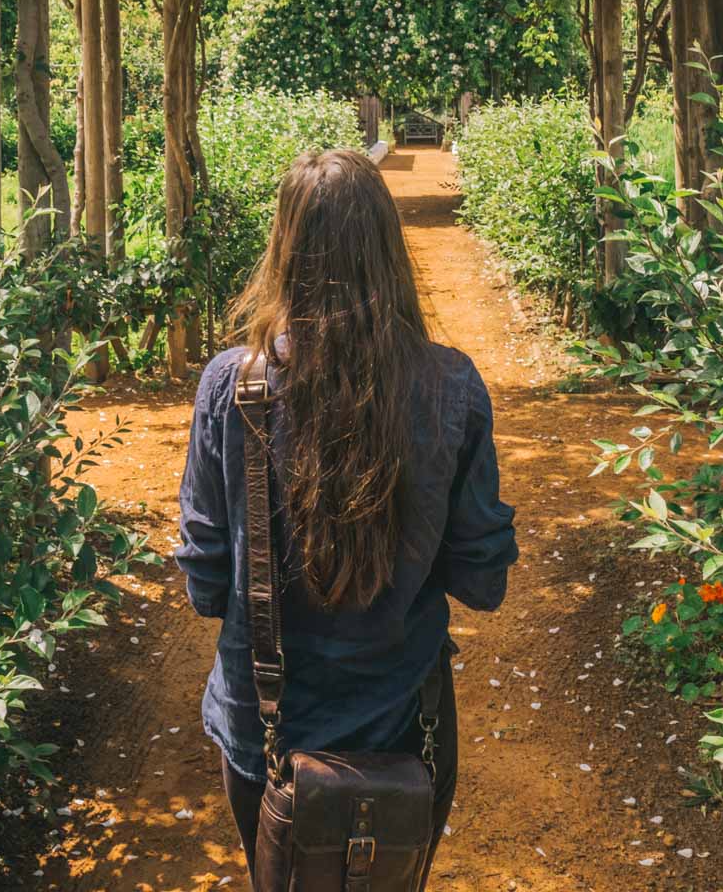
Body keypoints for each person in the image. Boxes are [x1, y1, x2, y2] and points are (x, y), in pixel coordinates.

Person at [176, 148, 517, 885]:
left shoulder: (229, 389)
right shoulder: (449, 386)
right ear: (389, 252)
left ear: (284, 250)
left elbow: (205, 584)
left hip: (262, 733)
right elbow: (484, 580)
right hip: (404, 728)